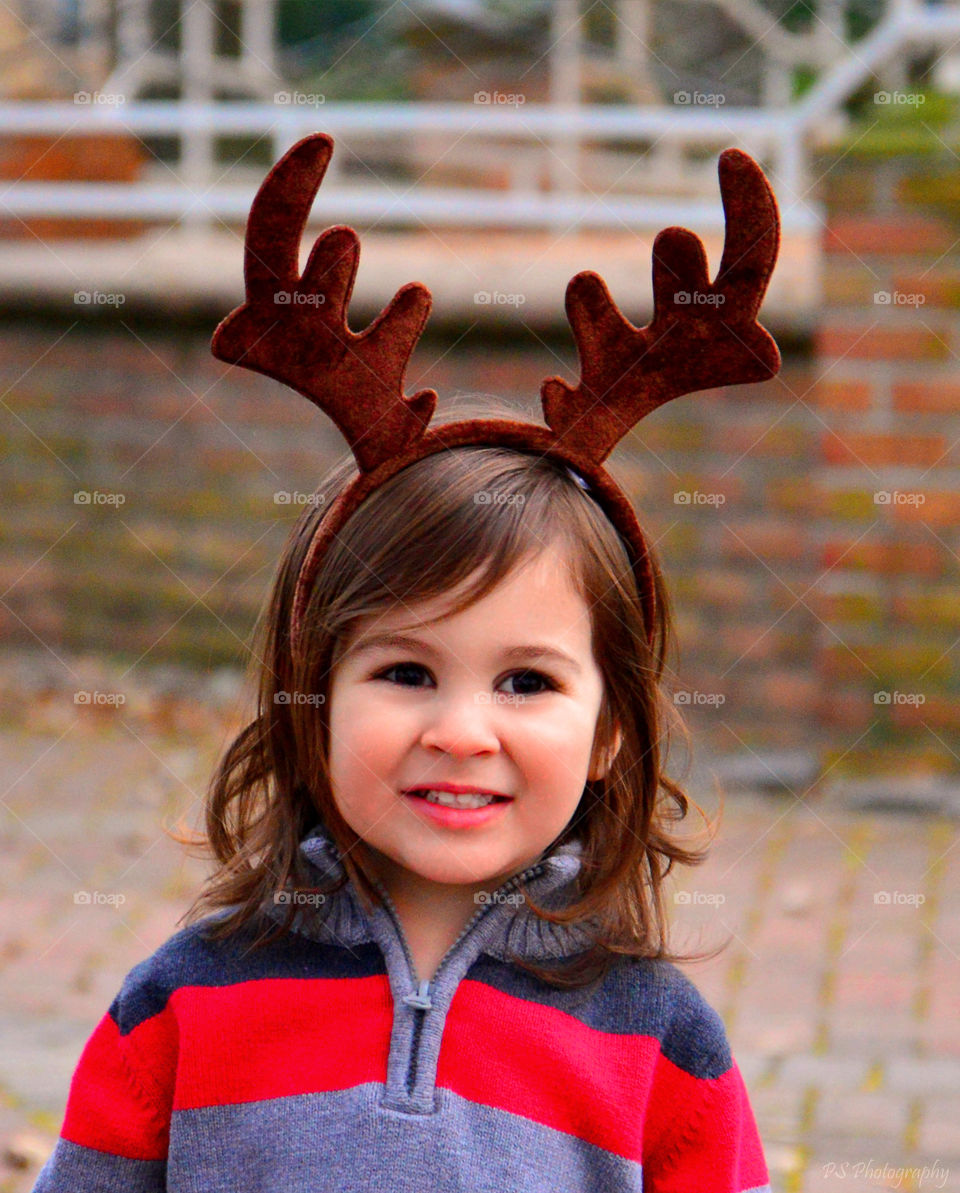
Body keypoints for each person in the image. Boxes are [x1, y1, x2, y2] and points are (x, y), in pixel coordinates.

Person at [33, 133, 780, 1193]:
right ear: (312, 700)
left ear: (613, 727)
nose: (463, 729)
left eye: (527, 680)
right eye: (406, 672)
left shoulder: (662, 1044)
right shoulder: (186, 1001)